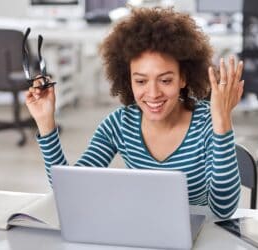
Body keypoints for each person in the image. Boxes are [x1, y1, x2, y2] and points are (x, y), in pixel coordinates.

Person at [25, 7, 244, 219]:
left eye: (165, 80)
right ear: (128, 80)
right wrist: (46, 123)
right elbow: (70, 190)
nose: (153, 93)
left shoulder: (207, 123)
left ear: (183, 78)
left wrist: (222, 121)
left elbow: (223, 210)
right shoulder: (118, 125)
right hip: (142, 231)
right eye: (140, 81)